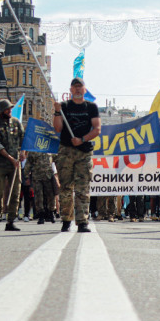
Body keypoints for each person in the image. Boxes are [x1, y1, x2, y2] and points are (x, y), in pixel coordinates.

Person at [53, 77, 101, 233]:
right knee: (66, 187)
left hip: (84, 151)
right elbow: (58, 128)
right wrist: (57, 112)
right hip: (66, 151)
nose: (78, 89)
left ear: (84, 89)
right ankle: (66, 219)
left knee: (82, 188)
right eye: (75, 87)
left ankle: (82, 221)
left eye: (80, 87)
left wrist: (82, 140)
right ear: (71, 90)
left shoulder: (91, 107)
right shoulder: (64, 106)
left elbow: (97, 129)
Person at [0, 98, 26, 232]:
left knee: (15, 192)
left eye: (10, 108)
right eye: (7, 109)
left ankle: (11, 221)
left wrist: (23, 152)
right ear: (1, 111)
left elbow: (23, 138)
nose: (10, 110)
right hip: (0, 163)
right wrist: (10, 158)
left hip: (15, 164)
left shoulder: (16, 122)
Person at [24, 152, 56, 224]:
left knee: (51, 196)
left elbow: (57, 159)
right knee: (38, 196)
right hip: (37, 177)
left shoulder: (49, 148)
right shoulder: (33, 150)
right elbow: (28, 163)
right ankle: (41, 215)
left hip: (48, 176)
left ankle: (51, 212)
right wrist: (26, 176)